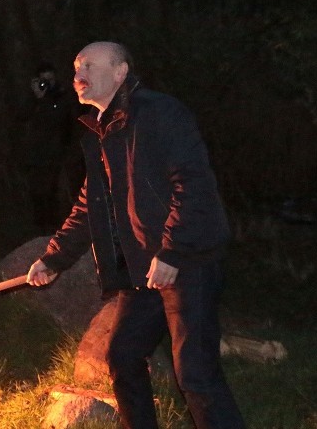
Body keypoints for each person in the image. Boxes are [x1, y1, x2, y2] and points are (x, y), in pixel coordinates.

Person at [27, 42, 245, 429]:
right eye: (76, 67)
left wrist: (173, 252)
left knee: (196, 375)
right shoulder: (99, 131)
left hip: (187, 262)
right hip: (143, 270)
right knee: (123, 356)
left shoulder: (160, 114)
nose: (78, 75)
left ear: (120, 72)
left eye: (89, 66)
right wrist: (53, 258)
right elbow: (90, 205)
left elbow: (192, 185)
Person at [19, 61, 75, 232]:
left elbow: (60, 121)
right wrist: (36, 98)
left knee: (54, 195)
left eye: (50, 80)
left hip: (55, 157)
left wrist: (45, 101)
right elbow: (21, 119)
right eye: (43, 81)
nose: (47, 85)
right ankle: (40, 232)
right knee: (36, 196)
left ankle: (56, 231)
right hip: (34, 158)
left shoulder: (62, 97)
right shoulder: (32, 98)